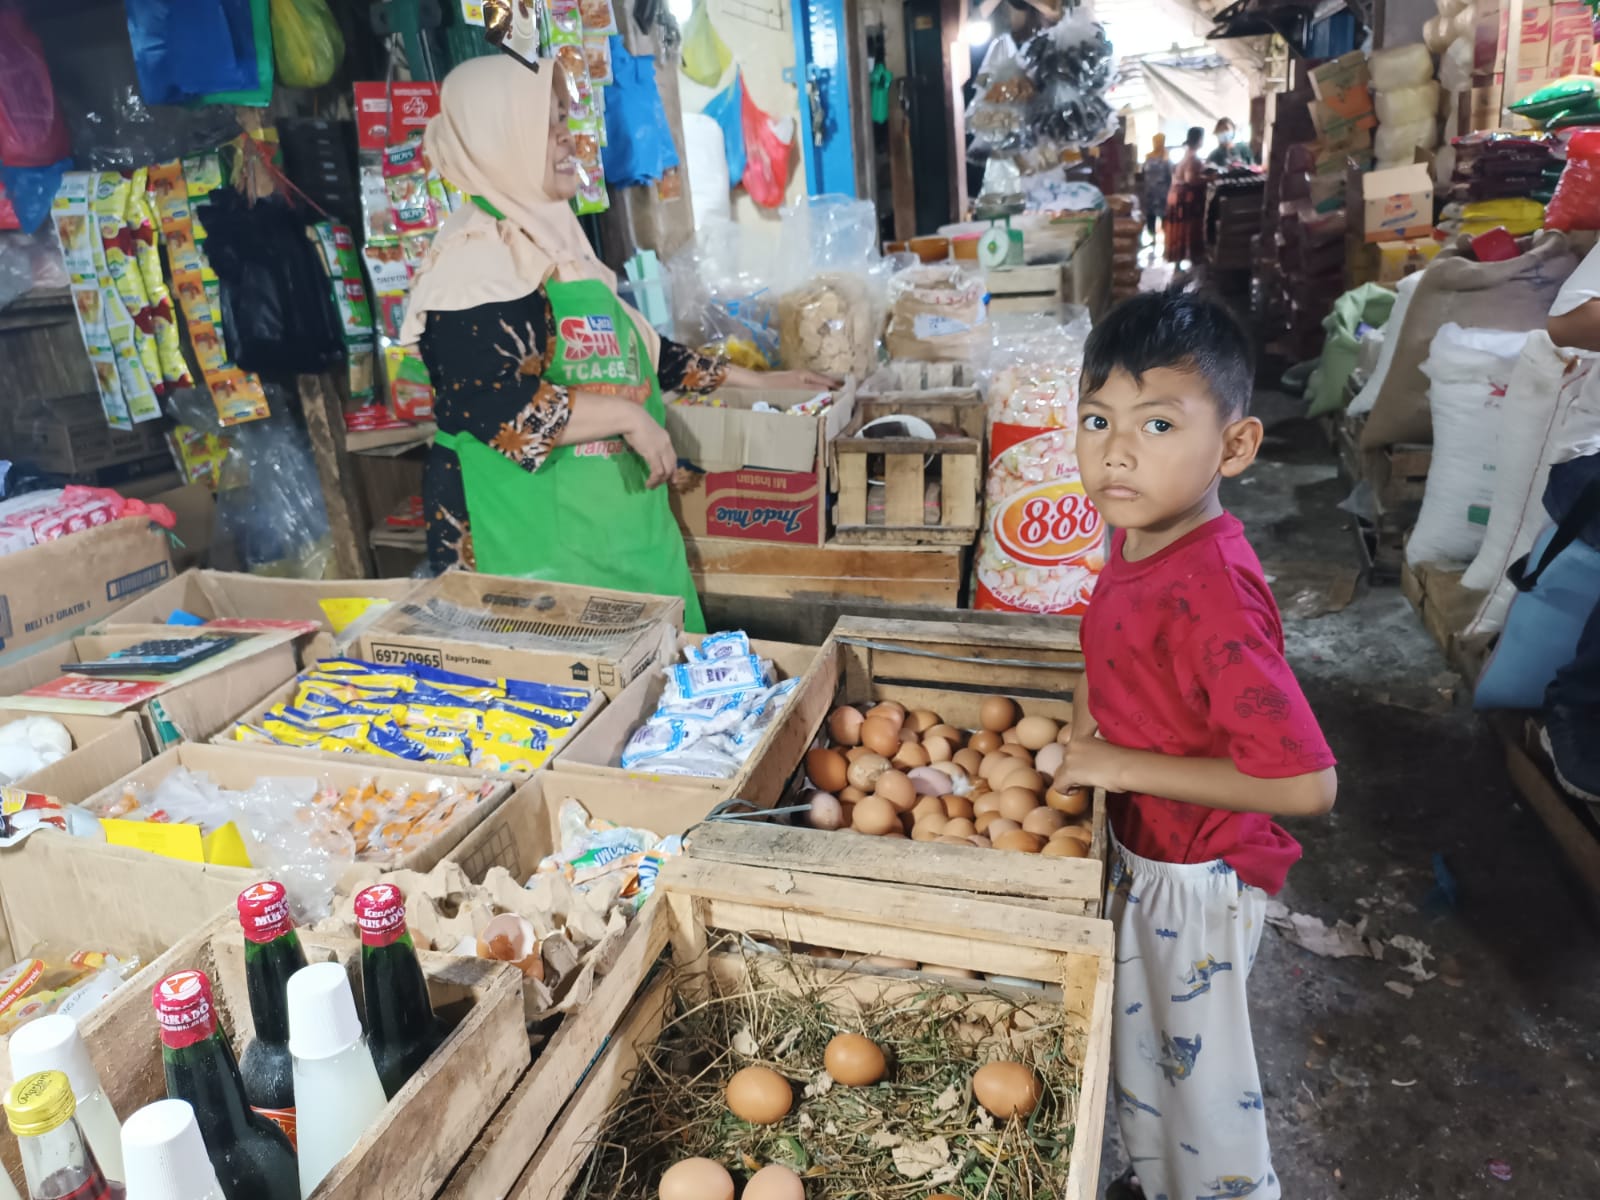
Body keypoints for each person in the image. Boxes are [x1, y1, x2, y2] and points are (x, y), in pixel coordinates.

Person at [1052, 290, 1337, 1200]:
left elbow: (1306, 784)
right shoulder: (1135, 528)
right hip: (1148, 845)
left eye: (1160, 423)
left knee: (1199, 1084)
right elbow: (1114, 636)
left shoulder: (1213, 585)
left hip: (1200, 873)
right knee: (1146, 1050)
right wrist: (1087, 706)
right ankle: (1151, 1170)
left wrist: (1115, 766)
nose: (1116, 451)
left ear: (1238, 447)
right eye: (1097, 419)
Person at [400, 56, 829, 631]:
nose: (565, 138)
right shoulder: (476, 260)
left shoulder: (557, 241)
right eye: (546, 126)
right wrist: (629, 418)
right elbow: (500, 409)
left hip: (622, 527)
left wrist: (764, 382)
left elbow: (642, 355)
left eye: (562, 120)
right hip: (532, 541)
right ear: (497, 137)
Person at [1164, 127, 1207, 265]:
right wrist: (1210, 178)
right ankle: (1189, 259)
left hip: (1176, 196)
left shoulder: (1186, 154)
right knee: (1187, 228)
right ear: (1199, 140)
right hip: (1184, 198)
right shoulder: (1192, 158)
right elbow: (1190, 179)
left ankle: (1178, 260)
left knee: (1180, 228)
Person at [1140, 134, 1172, 253]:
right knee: (1150, 217)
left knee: (1164, 217)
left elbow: (1170, 176)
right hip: (1150, 193)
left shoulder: (1166, 157)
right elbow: (1143, 174)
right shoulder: (1148, 156)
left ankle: (1165, 242)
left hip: (1162, 193)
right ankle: (1152, 240)